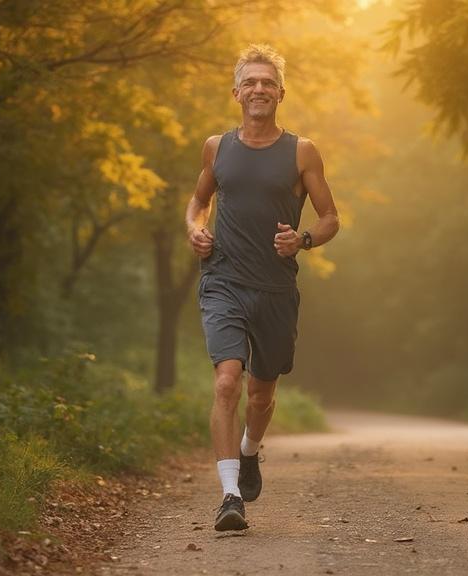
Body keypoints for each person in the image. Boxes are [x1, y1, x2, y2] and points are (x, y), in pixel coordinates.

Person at [185, 44, 340, 531]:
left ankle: (250, 451)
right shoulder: (217, 147)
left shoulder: (301, 151)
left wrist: (305, 239)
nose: (258, 89)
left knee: (261, 394)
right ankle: (230, 495)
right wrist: (195, 229)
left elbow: (331, 217)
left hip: (274, 288)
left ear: (280, 94)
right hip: (223, 279)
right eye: (250, 82)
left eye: (267, 83)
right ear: (236, 92)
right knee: (228, 381)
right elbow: (197, 204)